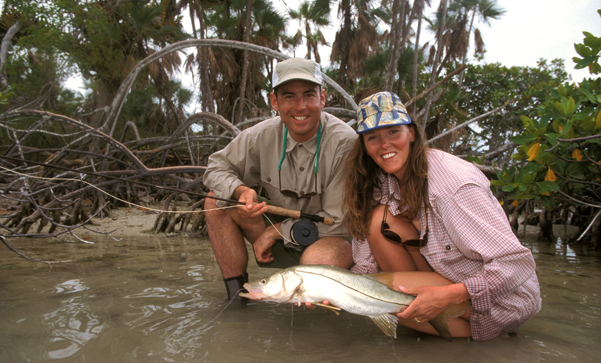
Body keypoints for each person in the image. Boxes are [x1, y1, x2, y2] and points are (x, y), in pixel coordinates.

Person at [343, 91, 541, 341]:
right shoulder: (383, 182)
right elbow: (366, 266)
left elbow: (517, 264)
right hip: (451, 281)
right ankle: (472, 334)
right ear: (364, 146)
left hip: (504, 300)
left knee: (379, 294)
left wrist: (449, 295)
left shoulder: (453, 185)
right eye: (373, 137)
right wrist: (335, 290)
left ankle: (487, 331)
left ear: (411, 133)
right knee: (376, 229)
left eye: (394, 131)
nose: (385, 145)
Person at [203, 57, 357, 300]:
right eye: (288, 96)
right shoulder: (260, 136)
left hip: (329, 241)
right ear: (274, 101)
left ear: (323, 98)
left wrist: (276, 231)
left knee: (314, 262)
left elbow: (338, 224)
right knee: (215, 202)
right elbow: (215, 168)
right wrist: (241, 191)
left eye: (309, 95)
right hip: (279, 240)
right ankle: (236, 298)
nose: (300, 106)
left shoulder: (346, 143)